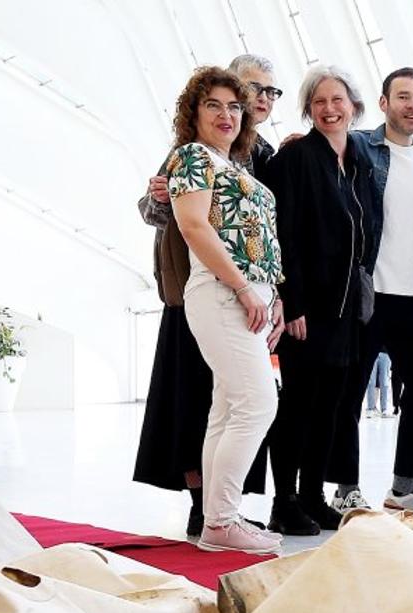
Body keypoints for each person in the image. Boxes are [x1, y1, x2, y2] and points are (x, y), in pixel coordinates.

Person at [134, 54, 282, 537]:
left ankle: (221, 519)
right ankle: (220, 519)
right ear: (193, 113)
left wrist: (270, 291)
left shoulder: (238, 159)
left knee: (227, 407)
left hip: (245, 294)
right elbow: (193, 224)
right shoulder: (192, 156)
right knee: (258, 404)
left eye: (234, 106)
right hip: (221, 292)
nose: (227, 114)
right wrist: (243, 287)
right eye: (213, 105)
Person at [326, 67, 413, 518]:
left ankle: (404, 485)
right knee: (351, 390)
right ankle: (345, 489)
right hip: (368, 292)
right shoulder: (361, 145)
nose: (412, 105)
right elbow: (325, 156)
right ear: (384, 103)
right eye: (403, 96)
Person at [264, 65, 378, 536]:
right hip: (308, 309)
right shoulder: (297, 159)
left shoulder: (358, 162)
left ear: (354, 106)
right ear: (309, 110)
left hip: (346, 308)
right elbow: (284, 234)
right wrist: (293, 303)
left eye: (338, 101)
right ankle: (285, 501)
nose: (330, 109)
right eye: (319, 102)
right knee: (298, 407)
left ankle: (312, 494)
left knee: (331, 407)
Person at [366, 351, 392, 417]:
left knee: (384, 381)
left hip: (385, 352)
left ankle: (384, 409)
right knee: (371, 381)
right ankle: (370, 408)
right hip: (371, 351)